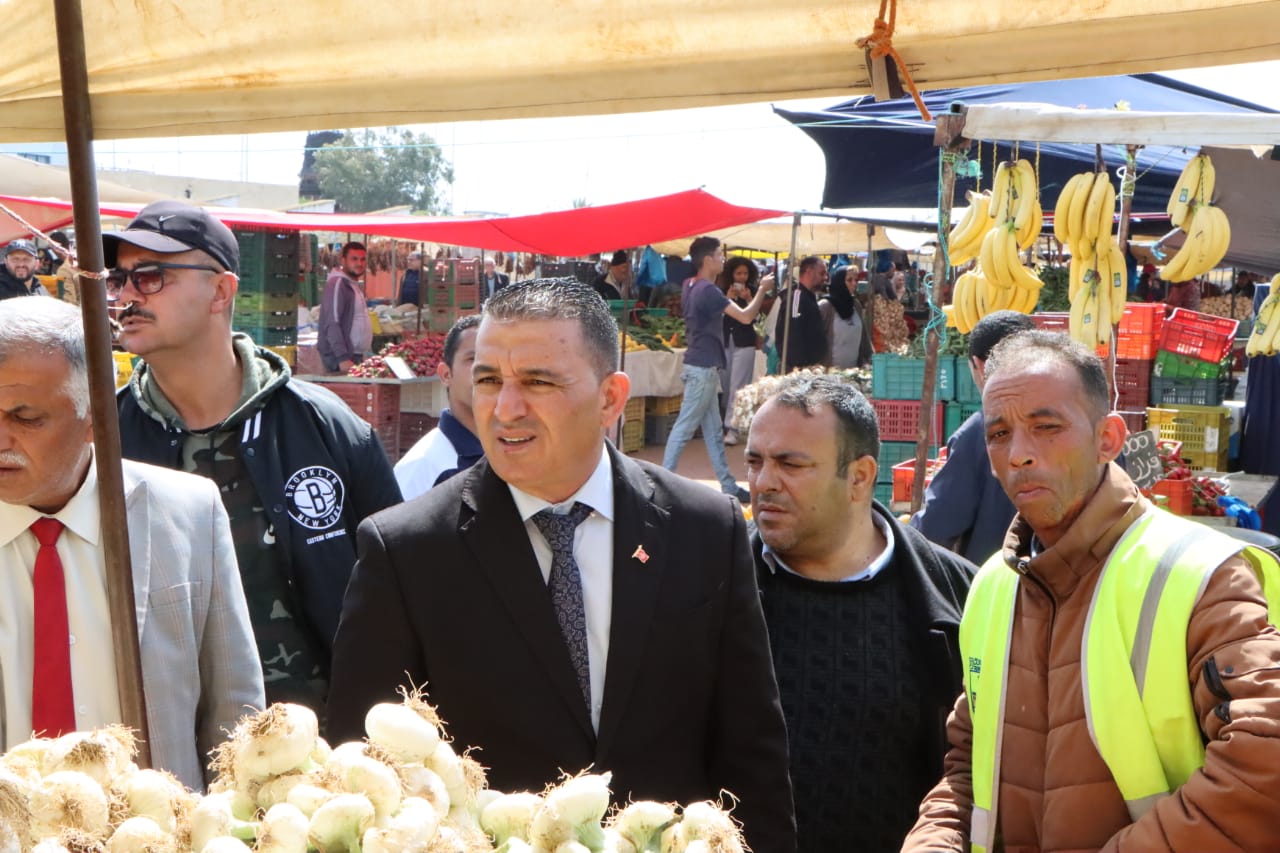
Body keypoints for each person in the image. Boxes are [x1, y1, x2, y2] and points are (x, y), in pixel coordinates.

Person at [328, 279, 796, 853]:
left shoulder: (705, 528)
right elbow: (364, 773)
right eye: (488, 380)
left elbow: (752, 746)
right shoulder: (406, 551)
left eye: (538, 382)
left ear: (610, 398)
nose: (505, 409)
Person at [902, 330, 1280, 853]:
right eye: (999, 434)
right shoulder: (991, 585)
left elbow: (1263, 762)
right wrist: (933, 841)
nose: (1019, 455)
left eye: (1046, 428)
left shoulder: (1199, 575)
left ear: (1108, 439)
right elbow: (969, 765)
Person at [104, 200, 402, 723]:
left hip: (324, 746)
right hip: (166, 747)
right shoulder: (105, 441)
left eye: (150, 276)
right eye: (119, 279)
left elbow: (398, 590)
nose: (128, 296)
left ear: (221, 291)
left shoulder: (324, 427)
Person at [0, 298, 263, 791]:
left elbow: (235, 713)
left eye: (25, 417)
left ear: (95, 414)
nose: (1, 438)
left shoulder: (187, 513)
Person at [745, 374, 973, 852]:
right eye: (754, 461)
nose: (764, 483)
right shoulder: (715, 584)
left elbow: (972, 775)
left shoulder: (957, 600)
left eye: (791, 464)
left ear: (860, 476)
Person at [910, 311, 1035, 565]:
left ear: (979, 366)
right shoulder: (1083, 420)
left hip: (998, 579)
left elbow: (936, 528)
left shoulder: (979, 432)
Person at [662, 236, 772, 502]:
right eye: (719, 255)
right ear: (708, 260)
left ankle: (728, 484)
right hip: (702, 369)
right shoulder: (708, 291)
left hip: (700, 366)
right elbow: (746, 317)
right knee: (684, 428)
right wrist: (762, 290)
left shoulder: (690, 285)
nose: (723, 259)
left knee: (712, 431)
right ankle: (660, 484)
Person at [394, 314, 484, 499]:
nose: (487, 370)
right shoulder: (423, 468)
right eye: (473, 358)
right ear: (446, 375)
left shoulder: (509, 456)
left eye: (493, 360)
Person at [718, 256, 761, 446]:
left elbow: (758, 320)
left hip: (745, 343)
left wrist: (749, 299)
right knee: (726, 385)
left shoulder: (754, 292)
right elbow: (715, 318)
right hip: (725, 342)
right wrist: (728, 299)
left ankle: (732, 428)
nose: (742, 277)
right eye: (738, 273)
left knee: (738, 386)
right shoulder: (721, 293)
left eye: (745, 273)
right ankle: (729, 422)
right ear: (731, 274)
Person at [318, 241, 372, 373]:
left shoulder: (352, 284)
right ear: (343, 260)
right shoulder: (337, 284)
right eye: (354, 259)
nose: (359, 263)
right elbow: (332, 322)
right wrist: (342, 358)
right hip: (341, 359)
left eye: (362, 259)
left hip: (354, 356)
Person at [778, 256, 828, 373]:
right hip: (798, 369)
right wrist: (801, 366)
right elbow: (792, 333)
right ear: (809, 272)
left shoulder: (809, 297)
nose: (825, 278)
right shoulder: (797, 297)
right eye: (821, 273)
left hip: (809, 367)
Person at [820, 265, 873, 369]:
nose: (854, 283)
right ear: (839, 282)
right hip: (829, 372)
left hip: (853, 371)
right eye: (849, 280)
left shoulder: (856, 305)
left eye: (856, 280)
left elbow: (864, 338)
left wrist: (870, 359)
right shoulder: (826, 307)